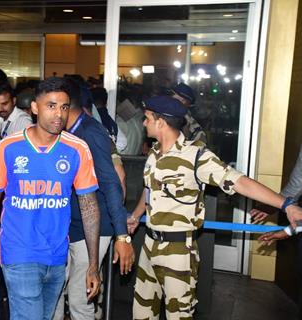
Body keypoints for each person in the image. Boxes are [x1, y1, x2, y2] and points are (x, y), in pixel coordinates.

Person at [128, 96, 302, 319]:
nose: (144, 123)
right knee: (140, 314)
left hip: (178, 251)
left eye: (147, 118)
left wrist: (286, 204)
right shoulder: (154, 153)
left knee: (178, 316)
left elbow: (239, 182)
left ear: (161, 122)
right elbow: (149, 189)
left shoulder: (196, 156)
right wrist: (135, 215)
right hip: (149, 246)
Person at [0, 77, 102, 320]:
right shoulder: (8, 147)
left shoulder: (78, 149)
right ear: (34, 107)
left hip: (56, 254)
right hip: (18, 251)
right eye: (51, 106)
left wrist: (92, 264)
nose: (59, 114)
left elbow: (89, 207)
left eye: (64, 107)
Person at [53, 79, 134, 320]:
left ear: (67, 106)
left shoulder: (90, 132)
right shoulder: (71, 132)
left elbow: (112, 184)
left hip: (95, 229)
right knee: (58, 291)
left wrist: (122, 235)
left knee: (79, 298)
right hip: (73, 226)